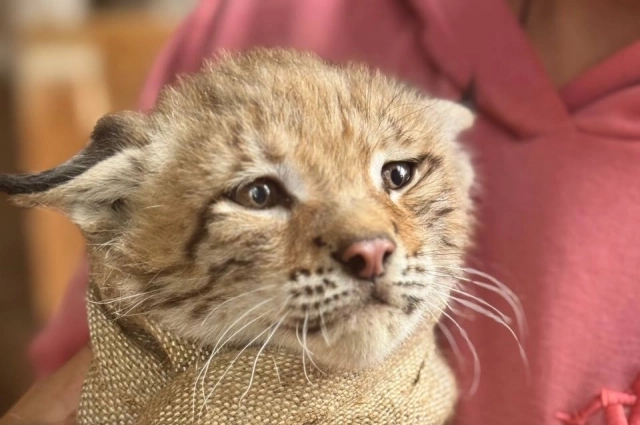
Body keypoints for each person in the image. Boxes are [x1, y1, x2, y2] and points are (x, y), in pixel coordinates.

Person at [20, 0, 640, 424]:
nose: (368, 243)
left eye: (396, 176)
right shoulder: (260, 15)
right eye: (260, 195)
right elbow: (72, 375)